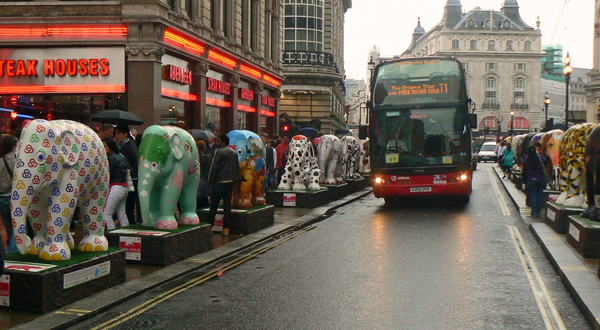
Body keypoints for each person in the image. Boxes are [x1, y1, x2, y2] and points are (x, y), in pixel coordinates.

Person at [207, 134, 240, 236]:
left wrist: (210, 182)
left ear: (224, 142)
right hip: (230, 182)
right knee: (227, 205)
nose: (217, 143)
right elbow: (237, 168)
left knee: (214, 205)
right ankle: (226, 228)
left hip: (220, 182)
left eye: (219, 141)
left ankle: (210, 226)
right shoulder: (234, 153)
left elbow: (214, 168)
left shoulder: (219, 152)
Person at [102, 138, 131, 230]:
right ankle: (126, 233)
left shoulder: (110, 158)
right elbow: (130, 169)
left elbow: (108, 174)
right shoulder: (121, 156)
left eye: (105, 146)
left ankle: (112, 234)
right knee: (121, 213)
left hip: (116, 186)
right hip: (124, 186)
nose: (103, 148)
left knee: (107, 214)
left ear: (110, 147)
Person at [115, 124, 139, 223]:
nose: (117, 136)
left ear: (125, 134)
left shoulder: (128, 147)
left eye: (119, 133)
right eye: (115, 134)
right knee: (126, 209)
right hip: (130, 180)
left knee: (128, 208)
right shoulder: (128, 145)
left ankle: (131, 226)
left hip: (129, 180)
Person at [522, 143, 551, 217]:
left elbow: (524, 168)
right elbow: (545, 161)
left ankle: (534, 213)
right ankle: (539, 212)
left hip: (531, 179)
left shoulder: (526, 158)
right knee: (540, 196)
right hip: (541, 179)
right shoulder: (540, 157)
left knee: (533, 196)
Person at [0, 136, 18, 253]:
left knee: (8, 228)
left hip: (1, 198)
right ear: (13, 146)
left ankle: (9, 251)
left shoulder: (0, 162)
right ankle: (12, 252)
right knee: (16, 228)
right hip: (13, 197)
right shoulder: (18, 160)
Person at [196, 139, 212, 209]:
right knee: (204, 195)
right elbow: (209, 169)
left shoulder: (194, 158)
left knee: (198, 195)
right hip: (203, 179)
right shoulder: (207, 157)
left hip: (196, 178)